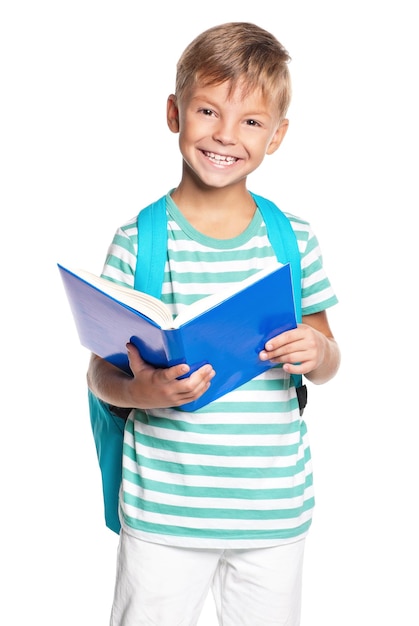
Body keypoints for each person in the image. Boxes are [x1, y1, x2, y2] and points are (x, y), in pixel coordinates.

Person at [87, 21, 340, 626]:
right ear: (174, 114)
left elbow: (329, 356)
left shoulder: (293, 240)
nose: (226, 136)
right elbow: (100, 372)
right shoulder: (137, 243)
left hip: (274, 513)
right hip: (164, 514)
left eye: (250, 121)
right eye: (207, 111)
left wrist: (317, 351)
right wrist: (137, 391)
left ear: (277, 136)